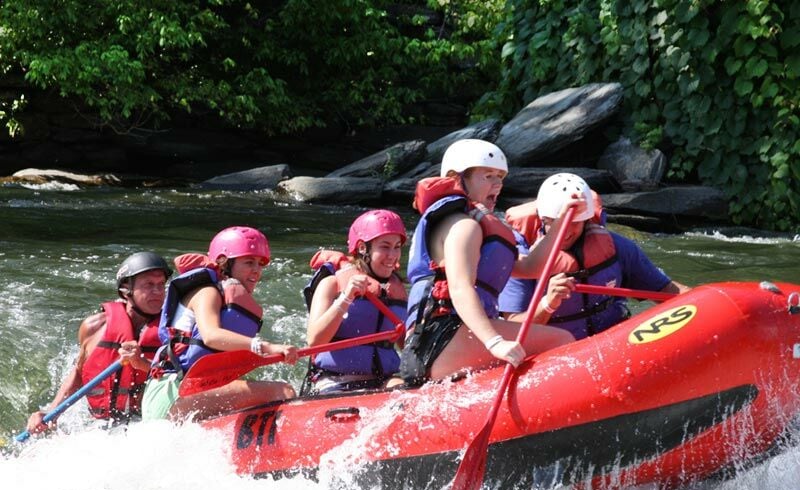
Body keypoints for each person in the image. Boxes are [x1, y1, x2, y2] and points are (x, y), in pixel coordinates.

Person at [398, 139, 580, 386]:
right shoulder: (463, 226)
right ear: (456, 178)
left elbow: (530, 267)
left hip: (437, 342)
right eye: (488, 176)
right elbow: (460, 288)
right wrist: (495, 342)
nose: (498, 184)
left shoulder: (472, 227)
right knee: (561, 340)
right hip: (440, 338)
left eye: (500, 177)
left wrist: (560, 223)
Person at [498, 173, 691, 339]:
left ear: (587, 220)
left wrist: (704, 299)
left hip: (613, 341)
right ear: (543, 219)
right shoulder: (520, 260)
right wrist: (547, 304)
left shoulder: (617, 246)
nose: (566, 230)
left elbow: (665, 290)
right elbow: (512, 328)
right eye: (556, 222)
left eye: (575, 222)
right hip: (556, 352)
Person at [143, 226, 297, 421]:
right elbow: (211, 336)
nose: (256, 270)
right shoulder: (207, 292)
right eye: (249, 262)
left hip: (186, 392)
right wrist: (267, 347)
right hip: (171, 392)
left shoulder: (222, 296)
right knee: (283, 391)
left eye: (260, 264)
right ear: (225, 263)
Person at [26, 252, 173, 434]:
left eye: (161, 285)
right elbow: (79, 372)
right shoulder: (93, 327)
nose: (158, 292)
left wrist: (142, 363)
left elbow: (179, 378)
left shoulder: (173, 330)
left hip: (149, 424)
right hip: (101, 426)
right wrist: (52, 412)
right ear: (126, 289)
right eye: (149, 285)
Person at [302, 210, 408, 395]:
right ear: (362, 248)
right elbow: (315, 341)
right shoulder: (332, 284)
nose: (392, 255)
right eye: (385, 247)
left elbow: (407, 346)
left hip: (384, 380)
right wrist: (346, 297)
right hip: (335, 380)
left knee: (404, 392)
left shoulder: (398, 292)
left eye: (397, 247)